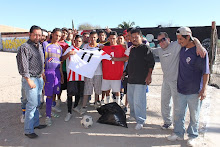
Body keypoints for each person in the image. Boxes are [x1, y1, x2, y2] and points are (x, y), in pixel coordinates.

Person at [167, 27, 210, 146]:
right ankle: (178, 134)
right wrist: (197, 42)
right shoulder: (182, 49)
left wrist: (204, 89)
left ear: (187, 38)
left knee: (194, 115)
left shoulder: (200, 52)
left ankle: (192, 136)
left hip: (195, 90)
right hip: (181, 88)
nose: (179, 41)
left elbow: (206, 72)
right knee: (179, 113)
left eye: (181, 39)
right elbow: (193, 39)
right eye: (178, 39)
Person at [156, 32, 206, 130]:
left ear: (168, 39)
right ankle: (167, 122)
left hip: (176, 81)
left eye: (163, 40)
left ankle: (177, 126)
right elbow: (146, 49)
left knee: (177, 105)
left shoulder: (176, 45)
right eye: (159, 41)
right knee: (165, 102)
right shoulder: (159, 50)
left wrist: (199, 45)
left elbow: (191, 38)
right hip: (166, 81)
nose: (161, 43)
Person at [16, 25, 47, 139]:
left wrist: (42, 73)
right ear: (29, 34)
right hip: (31, 79)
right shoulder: (24, 47)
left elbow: (41, 61)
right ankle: (28, 130)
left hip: (38, 78)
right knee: (32, 105)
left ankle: (36, 124)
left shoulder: (39, 46)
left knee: (37, 103)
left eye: (39, 35)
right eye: (35, 34)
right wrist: (28, 80)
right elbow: (23, 66)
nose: (37, 37)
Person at [123, 28, 155, 130]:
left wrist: (149, 75)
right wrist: (125, 72)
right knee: (131, 100)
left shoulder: (146, 48)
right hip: (131, 79)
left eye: (136, 37)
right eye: (132, 37)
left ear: (141, 37)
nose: (134, 39)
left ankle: (140, 120)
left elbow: (151, 63)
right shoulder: (132, 49)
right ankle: (133, 115)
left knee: (139, 101)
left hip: (141, 80)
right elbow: (130, 63)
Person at [42, 28, 64, 126]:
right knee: (49, 95)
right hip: (48, 72)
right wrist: (43, 73)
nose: (58, 37)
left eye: (59, 36)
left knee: (55, 93)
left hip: (57, 73)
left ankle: (50, 111)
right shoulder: (45, 45)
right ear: (52, 35)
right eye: (56, 35)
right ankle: (47, 117)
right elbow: (41, 60)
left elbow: (59, 63)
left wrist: (61, 76)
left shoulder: (60, 48)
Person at [80, 31, 104, 114]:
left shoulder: (101, 46)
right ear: (89, 38)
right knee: (87, 90)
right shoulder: (85, 46)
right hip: (89, 72)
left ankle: (96, 102)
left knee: (97, 89)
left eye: (94, 37)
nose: (93, 39)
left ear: (97, 38)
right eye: (91, 37)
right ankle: (83, 106)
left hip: (98, 72)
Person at [62, 35, 85, 121]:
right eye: (76, 41)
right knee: (70, 94)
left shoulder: (83, 51)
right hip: (71, 76)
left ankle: (75, 106)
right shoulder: (69, 49)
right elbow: (62, 58)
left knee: (79, 93)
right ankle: (69, 112)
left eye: (79, 41)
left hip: (81, 76)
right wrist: (68, 54)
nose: (78, 43)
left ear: (81, 42)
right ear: (73, 41)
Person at [101, 31, 127, 105]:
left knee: (117, 91)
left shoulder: (122, 47)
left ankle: (117, 105)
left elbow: (126, 58)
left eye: (114, 38)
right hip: (106, 73)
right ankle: (107, 104)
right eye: (111, 38)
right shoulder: (104, 48)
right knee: (107, 90)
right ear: (108, 39)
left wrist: (116, 59)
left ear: (116, 39)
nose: (112, 40)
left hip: (117, 74)